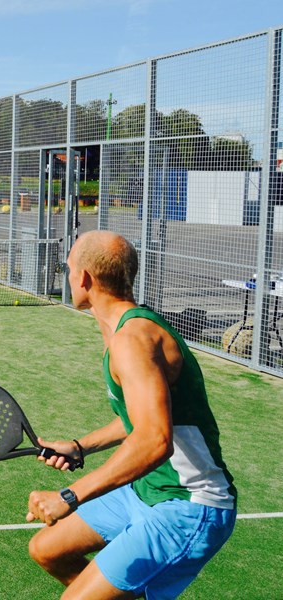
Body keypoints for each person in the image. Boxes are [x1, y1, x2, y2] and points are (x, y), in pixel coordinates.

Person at [26, 230, 237, 599]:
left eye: (68, 267)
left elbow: (155, 439)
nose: (67, 274)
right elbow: (143, 417)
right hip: (146, 490)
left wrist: (70, 496)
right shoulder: (124, 330)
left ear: (85, 278)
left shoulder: (132, 341)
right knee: (47, 549)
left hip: (189, 504)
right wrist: (80, 446)